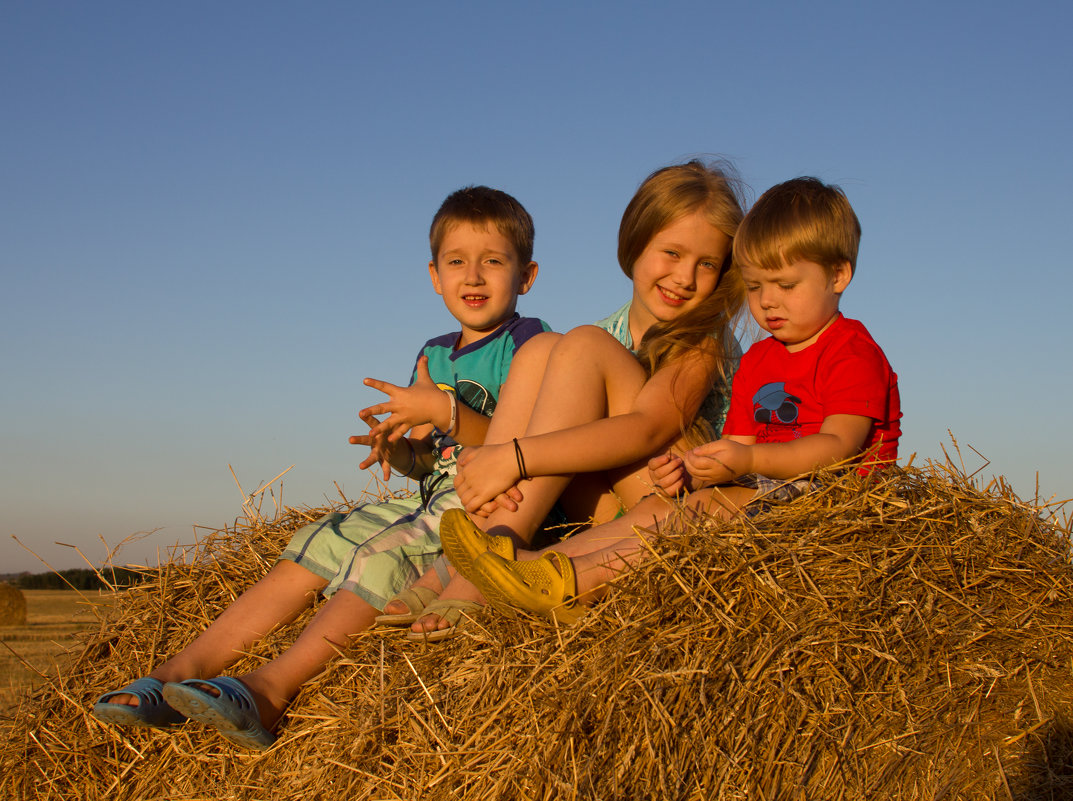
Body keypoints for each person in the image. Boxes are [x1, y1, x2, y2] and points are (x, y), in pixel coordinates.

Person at [91, 185, 549, 749]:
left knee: (376, 561)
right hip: (428, 498)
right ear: (434, 275)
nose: (473, 276)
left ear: (526, 276)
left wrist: (445, 410)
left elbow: (523, 444)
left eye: (493, 262)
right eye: (457, 262)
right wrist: (403, 453)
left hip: (475, 511)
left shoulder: (532, 344)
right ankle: (178, 672)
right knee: (317, 541)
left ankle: (269, 691)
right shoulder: (432, 353)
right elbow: (432, 456)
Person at [444, 176, 902, 623]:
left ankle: (567, 580)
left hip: (826, 502)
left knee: (689, 514)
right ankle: (520, 568)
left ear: (839, 274)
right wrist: (700, 470)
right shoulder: (762, 359)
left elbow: (838, 450)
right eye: (757, 286)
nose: (767, 303)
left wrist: (744, 459)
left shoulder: (849, 351)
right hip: (740, 489)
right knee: (661, 509)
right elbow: (735, 443)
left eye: (784, 286)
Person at [390, 160, 748, 639]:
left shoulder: (703, 337)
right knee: (542, 349)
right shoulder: (611, 331)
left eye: (707, 264)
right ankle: (474, 548)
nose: (684, 277)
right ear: (635, 243)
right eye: (672, 253)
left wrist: (514, 458)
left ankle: (488, 559)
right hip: (604, 505)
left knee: (579, 345)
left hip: (672, 498)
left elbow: (650, 429)